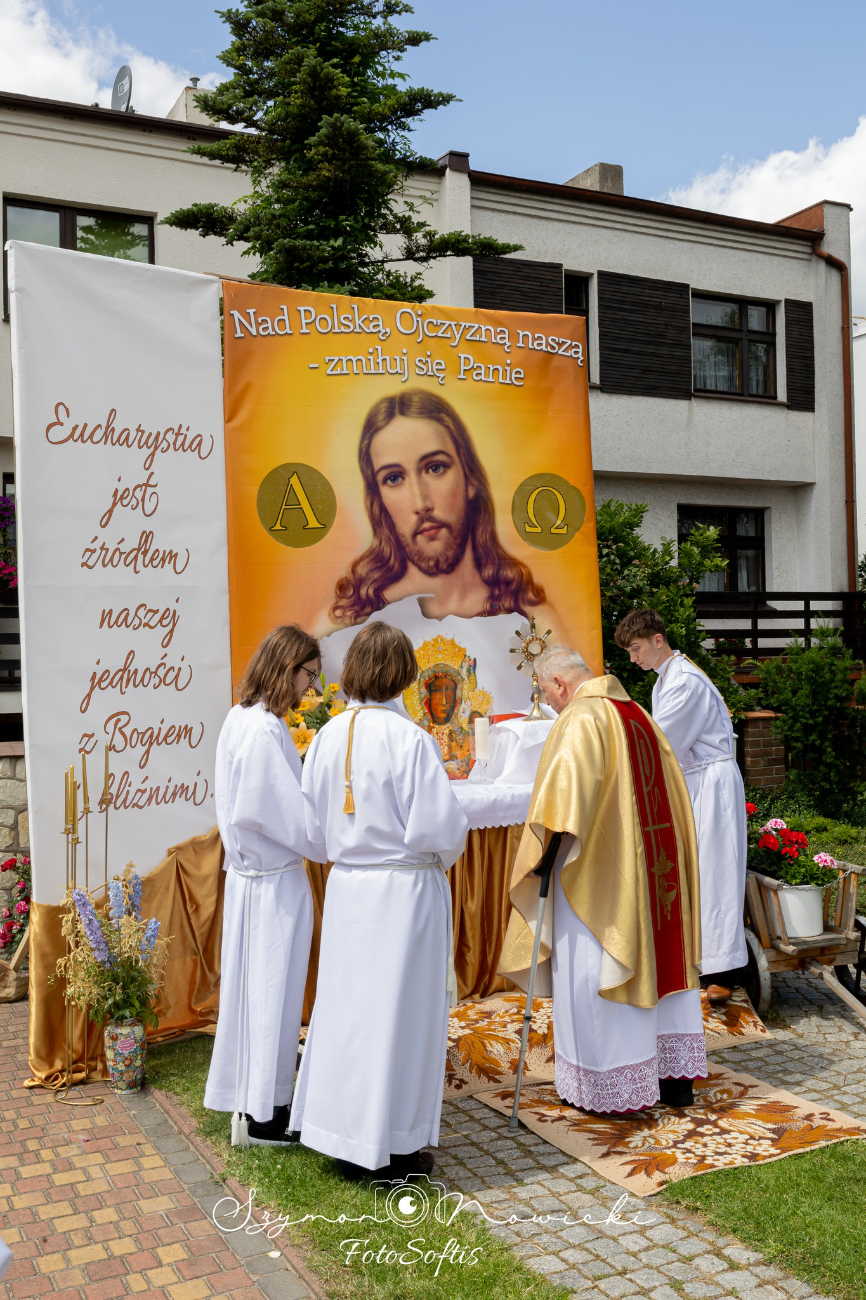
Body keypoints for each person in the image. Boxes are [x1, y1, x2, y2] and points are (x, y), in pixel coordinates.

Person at [290, 621, 470, 1179]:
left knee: (349, 1012)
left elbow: (312, 831)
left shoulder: (325, 736)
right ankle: (390, 1148)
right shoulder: (409, 739)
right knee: (402, 1016)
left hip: (349, 888)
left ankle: (343, 1135)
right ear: (402, 676)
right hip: (402, 893)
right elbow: (438, 830)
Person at [499, 646, 706, 1112]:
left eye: (547, 693)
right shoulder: (638, 714)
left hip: (601, 877)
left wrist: (538, 861)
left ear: (558, 684)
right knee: (662, 961)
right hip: (658, 873)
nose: (551, 703)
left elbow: (560, 808)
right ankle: (672, 1082)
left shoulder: (579, 719)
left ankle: (608, 1088)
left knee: (595, 966)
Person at [204, 625, 322, 1146]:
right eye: (308, 676)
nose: (310, 690)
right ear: (286, 667)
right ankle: (265, 1115)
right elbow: (279, 812)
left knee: (256, 995)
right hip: (271, 883)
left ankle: (254, 1101)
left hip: (254, 879)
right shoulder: (263, 730)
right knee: (272, 994)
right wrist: (327, 834)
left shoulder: (242, 717)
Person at [325, 389, 547, 628]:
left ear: (470, 478)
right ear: (379, 501)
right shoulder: (350, 621)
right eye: (394, 478)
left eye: (435, 468)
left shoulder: (527, 614)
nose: (421, 504)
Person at [615, 609, 747, 1002]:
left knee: (715, 871)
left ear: (658, 640)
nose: (633, 658)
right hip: (698, 780)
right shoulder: (669, 677)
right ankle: (705, 961)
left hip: (712, 782)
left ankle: (724, 972)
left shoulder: (684, 681)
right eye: (629, 652)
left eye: (636, 648)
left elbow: (662, 741)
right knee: (699, 870)